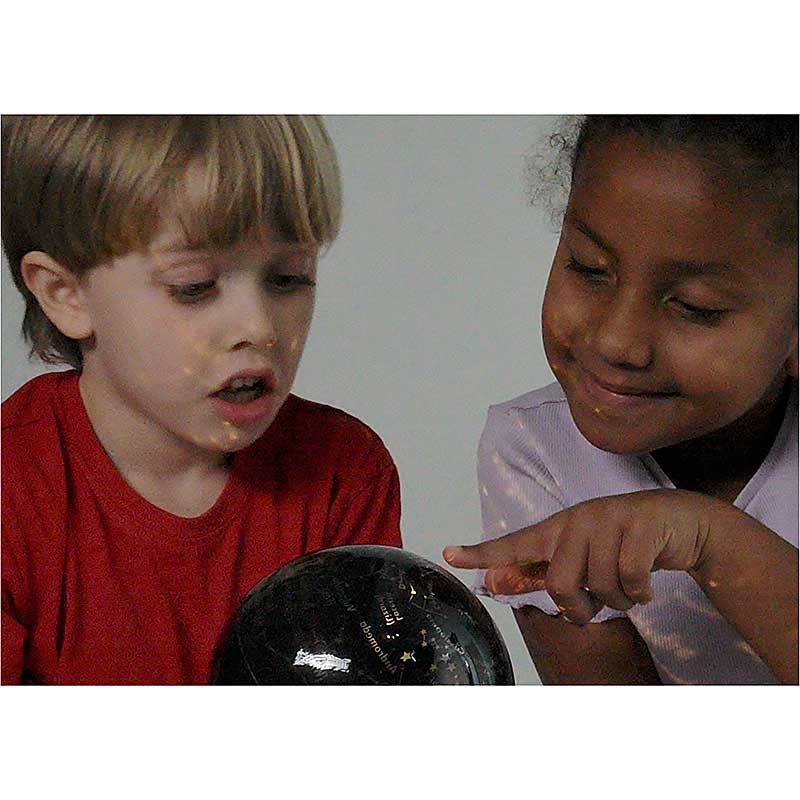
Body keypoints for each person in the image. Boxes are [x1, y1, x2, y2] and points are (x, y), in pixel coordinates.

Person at [1, 116, 402, 685]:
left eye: (288, 278)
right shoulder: (15, 490)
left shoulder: (344, 472)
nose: (258, 326)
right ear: (65, 295)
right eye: (194, 286)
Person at [444, 115, 798, 685]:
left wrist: (710, 539)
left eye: (696, 306)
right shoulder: (535, 451)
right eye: (588, 268)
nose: (616, 341)